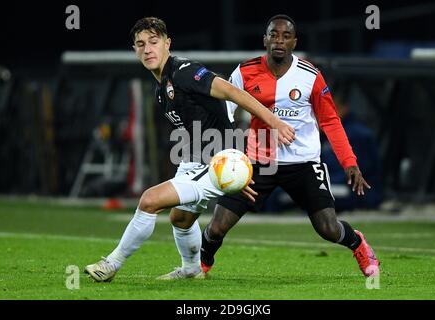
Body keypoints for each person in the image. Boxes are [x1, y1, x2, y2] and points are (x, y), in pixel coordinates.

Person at [84, 17, 295, 282]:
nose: (147, 49)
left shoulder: (183, 71)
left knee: (149, 200)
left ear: (167, 43)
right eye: (140, 44)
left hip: (216, 161)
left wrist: (272, 122)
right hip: (196, 159)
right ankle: (192, 270)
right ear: (135, 50)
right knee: (181, 219)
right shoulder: (162, 89)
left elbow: (231, 91)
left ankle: (110, 265)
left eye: (153, 42)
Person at [200, 14, 380, 277]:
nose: (279, 41)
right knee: (217, 226)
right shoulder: (244, 72)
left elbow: (330, 121)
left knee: (328, 228)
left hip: (303, 163)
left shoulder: (310, 75)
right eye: (273, 34)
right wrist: (225, 150)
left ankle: (358, 243)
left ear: (294, 42)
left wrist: (349, 162)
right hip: (258, 163)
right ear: (265, 39)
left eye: (286, 36)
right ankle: (201, 265)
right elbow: (225, 112)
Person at [321, 93, 383, 212]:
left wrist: (322, 181)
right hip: (332, 182)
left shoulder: (358, 135)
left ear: (343, 109)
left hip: (356, 191)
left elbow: (361, 171)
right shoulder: (323, 134)